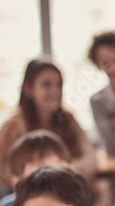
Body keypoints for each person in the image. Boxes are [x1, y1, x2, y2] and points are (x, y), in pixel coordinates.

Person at [0, 129, 109, 206]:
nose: (52, 179)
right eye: (41, 171)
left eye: (58, 168)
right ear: (16, 183)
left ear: (71, 171)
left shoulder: (81, 205)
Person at [0, 59, 97, 197]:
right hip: (25, 194)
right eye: (46, 85)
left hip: (65, 190)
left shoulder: (68, 119)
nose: (55, 91)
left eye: (59, 85)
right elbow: (5, 172)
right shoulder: (13, 126)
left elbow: (91, 159)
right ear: (28, 89)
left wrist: (58, 170)